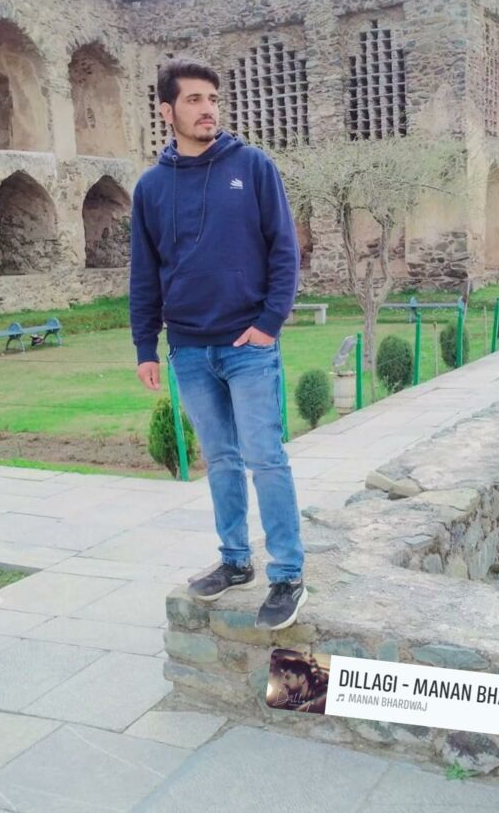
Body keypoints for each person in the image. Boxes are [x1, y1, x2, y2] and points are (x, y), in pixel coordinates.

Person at [129, 59, 306, 630]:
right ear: (167, 111)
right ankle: (235, 561)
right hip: (188, 348)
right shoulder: (151, 187)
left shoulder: (252, 167)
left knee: (265, 457)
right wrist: (146, 346)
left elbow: (284, 249)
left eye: (212, 98)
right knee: (221, 460)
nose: (208, 109)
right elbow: (144, 273)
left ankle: (287, 574)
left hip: (247, 343)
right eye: (194, 100)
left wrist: (269, 323)